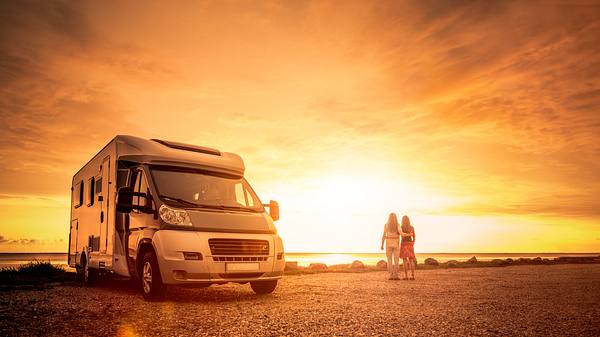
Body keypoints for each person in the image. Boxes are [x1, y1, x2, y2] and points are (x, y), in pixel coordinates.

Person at [380, 213, 412, 280]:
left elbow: (383, 235)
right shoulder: (397, 225)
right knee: (396, 260)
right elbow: (402, 234)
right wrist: (409, 234)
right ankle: (396, 275)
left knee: (389, 260)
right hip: (396, 243)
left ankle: (391, 276)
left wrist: (382, 245)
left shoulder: (386, 225)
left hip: (388, 243)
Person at [399, 215, 416, 280]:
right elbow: (414, 236)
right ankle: (413, 276)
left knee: (404, 260)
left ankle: (406, 276)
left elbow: (401, 235)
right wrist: (413, 243)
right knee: (411, 260)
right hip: (410, 244)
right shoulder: (411, 227)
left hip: (404, 244)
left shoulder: (401, 227)